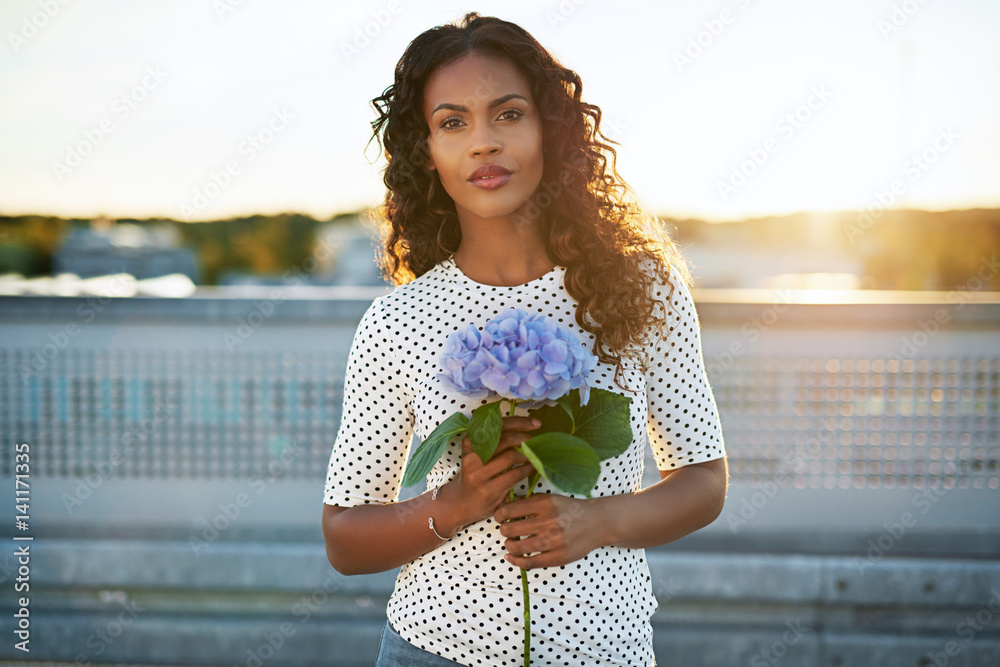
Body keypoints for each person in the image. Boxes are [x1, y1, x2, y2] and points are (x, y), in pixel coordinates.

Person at [322, 12, 727, 666]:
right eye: (453, 122)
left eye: (508, 114)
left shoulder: (643, 286)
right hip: (431, 652)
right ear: (427, 151)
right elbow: (343, 537)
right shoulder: (396, 322)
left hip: (605, 652)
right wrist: (453, 503)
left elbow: (705, 480)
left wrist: (601, 521)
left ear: (550, 130)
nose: (483, 142)